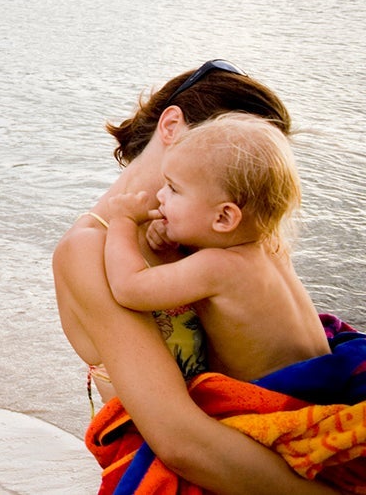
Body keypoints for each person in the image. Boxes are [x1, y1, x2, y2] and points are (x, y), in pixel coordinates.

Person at [52, 60, 332, 494]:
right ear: (172, 125)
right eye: (230, 152)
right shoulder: (89, 249)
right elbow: (181, 441)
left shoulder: (235, 232)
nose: (247, 181)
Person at [101, 112, 328, 384]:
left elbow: (129, 289)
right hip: (325, 371)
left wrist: (122, 222)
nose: (160, 195)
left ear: (224, 218)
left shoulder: (218, 267)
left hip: (285, 391)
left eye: (173, 189)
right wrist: (174, 243)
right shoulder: (270, 246)